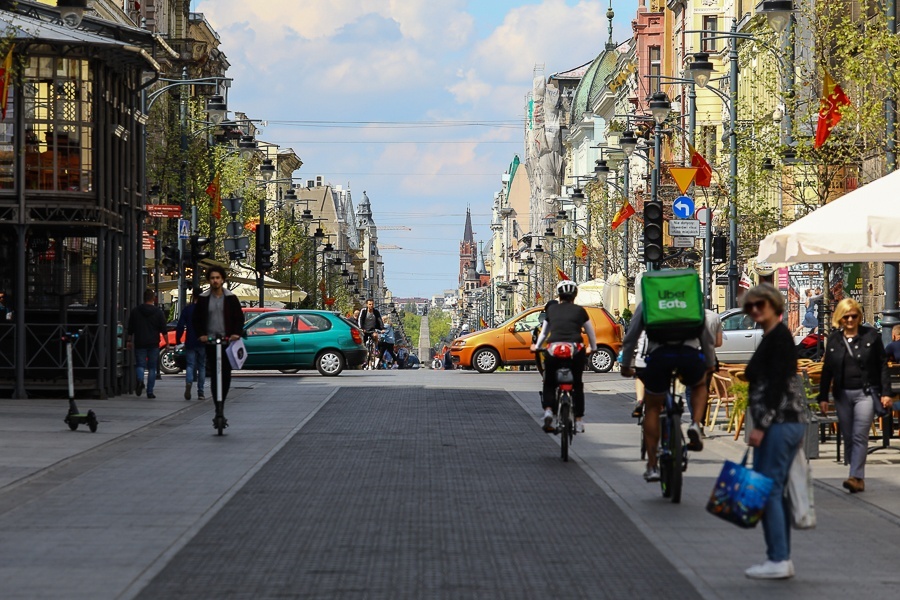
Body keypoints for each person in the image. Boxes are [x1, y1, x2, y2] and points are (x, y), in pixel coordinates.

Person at [741, 284, 807, 579]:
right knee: (775, 492)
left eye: (761, 305)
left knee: (766, 491)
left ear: (774, 305)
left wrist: (762, 425)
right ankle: (782, 558)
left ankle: (778, 558)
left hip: (779, 423)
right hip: (782, 423)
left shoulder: (779, 337)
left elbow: (777, 385)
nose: (755, 309)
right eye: (751, 305)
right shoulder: (774, 336)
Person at [620, 296, 715, 482]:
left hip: (659, 356)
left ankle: (653, 465)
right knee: (698, 384)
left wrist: (625, 365)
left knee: (653, 408)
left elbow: (632, 336)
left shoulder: (648, 301)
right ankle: (695, 423)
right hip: (689, 354)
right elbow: (705, 334)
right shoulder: (690, 300)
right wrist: (710, 363)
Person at [817, 298, 891, 494]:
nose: (850, 320)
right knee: (848, 435)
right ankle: (856, 473)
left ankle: (855, 476)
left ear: (859, 316)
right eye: (846, 316)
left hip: (866, 393)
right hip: (842, 393)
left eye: (854, 316)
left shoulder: (871, 336)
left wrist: (886, 393)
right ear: (840, 318)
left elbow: (882, 364)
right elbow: (827, 370)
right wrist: (823, 397)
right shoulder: (834, 339)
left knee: (859, 435)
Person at [530, 280, 597, 433]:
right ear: (575, 295)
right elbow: (591, 333)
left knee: (549, 382)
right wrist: (592, 348)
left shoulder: (552, 311)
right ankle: (579, 420)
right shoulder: (580, 311)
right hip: (575, 349)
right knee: (577, 384)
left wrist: (538, 346)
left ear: (559, 296)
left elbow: (544, 332)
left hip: (554, 349)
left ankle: (548, 410)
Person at [193, 266, 244, 417]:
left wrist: (236, 333)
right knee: (215, 375)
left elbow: (239, 318)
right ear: (209, 280)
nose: (215, 281)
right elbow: (196, 320)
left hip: (227, 341)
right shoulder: (203, 299)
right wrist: (201, 335)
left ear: (222, 279)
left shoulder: (231, 298)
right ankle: (217, 406)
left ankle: (222, 403)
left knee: (226, 374)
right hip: (210, 342)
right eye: (212, 278)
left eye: (217, 278)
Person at [126, 289, 168, 399]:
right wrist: (167, 343)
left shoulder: (135, 311)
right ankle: (150, 392)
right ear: (153, 298)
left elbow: (130, 328)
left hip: (140, 341)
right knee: (152, 368)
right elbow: (164, 330)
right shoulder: (158, 312)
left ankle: (140, 380)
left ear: (143, 298)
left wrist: (129, 341)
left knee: (140, 365)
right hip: (153, 343)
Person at [176, 295, 206, 400]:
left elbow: (180, 325)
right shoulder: (205, 310)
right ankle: (201, 392)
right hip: (202, 342)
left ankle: (189, 383)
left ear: (193, 298)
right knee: (202, 366)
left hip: (190, 341)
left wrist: (178, 339)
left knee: (190, 365)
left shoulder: (188, 310)